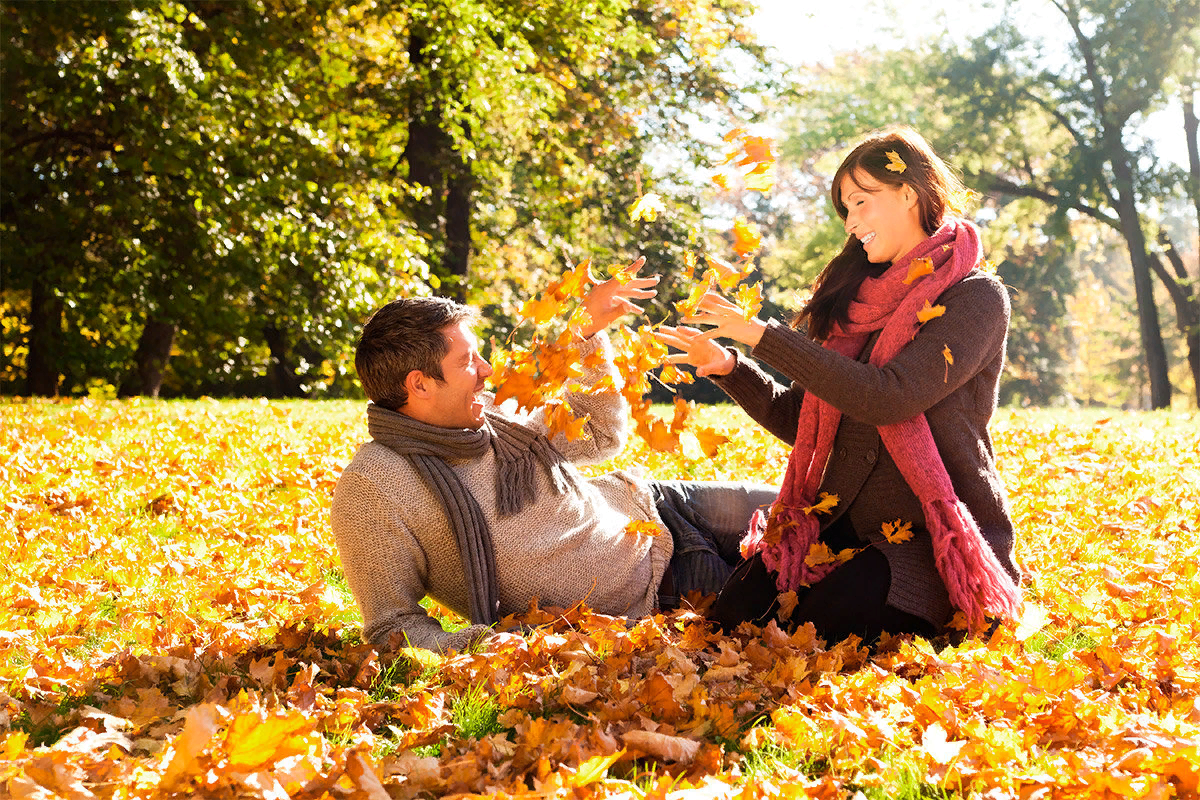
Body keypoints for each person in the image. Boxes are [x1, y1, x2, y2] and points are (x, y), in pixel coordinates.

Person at [656, 127, 1023, 645]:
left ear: (909, 193)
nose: (851, 223)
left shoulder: (976, 297)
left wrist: (766, 337)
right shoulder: (858, 307)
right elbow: (798, 417)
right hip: (836, 527)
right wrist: (729, 367)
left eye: (860, 202)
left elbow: (888, 396)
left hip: (924, 540)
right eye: (845, 210)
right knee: (730, 623)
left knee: (813, 627)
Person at [331, 258, 777, 652]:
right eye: (468, 362)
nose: (486, 371)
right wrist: (481, 644)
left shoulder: (494, 418)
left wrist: (586, 334)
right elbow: (392, 625)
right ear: (419, 384)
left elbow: (600, 432)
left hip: (662, 507)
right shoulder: (375, 487)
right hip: (662, 589)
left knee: (820, 512)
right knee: (826, 595)